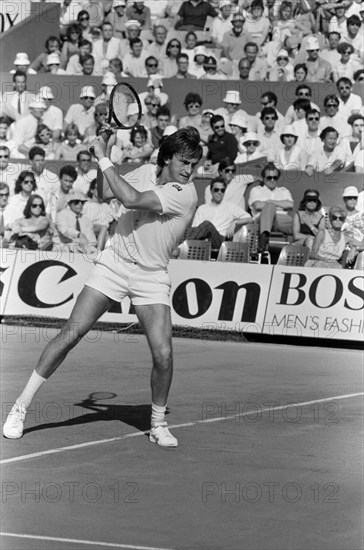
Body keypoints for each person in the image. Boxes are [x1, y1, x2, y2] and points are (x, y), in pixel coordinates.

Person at [3, 126, 203, 448]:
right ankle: (19, 407)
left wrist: (103, 155)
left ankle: (157, 422)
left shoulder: (185, 192)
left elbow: (130, 198)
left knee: (163, 355)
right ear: (167, 158)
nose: (190, 170)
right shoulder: (144, 171)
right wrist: (103, 157)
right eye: (184, 161)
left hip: (151, 276)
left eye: (194, 164)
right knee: (71, 333)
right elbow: (104, 193)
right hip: (114, 263)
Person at [187, 177, 251, 248]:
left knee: (207, 225)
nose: (219, 192)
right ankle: (184, 245)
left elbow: (249, 218)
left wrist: (235, 223)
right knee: (190, 227)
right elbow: (195, 229)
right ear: (211, 191)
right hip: (205, 240)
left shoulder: (231, 206)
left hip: (222, 241)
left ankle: (183, 245)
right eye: (216, 190)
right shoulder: (202, 208)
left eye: (222, 190)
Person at [248, 163, 294, 252]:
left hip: (281, 220)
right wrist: (276, 204)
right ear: (263, 178)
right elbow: (257, 205)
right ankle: (264, 237)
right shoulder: (256, 190)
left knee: (298, 222)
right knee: (270, 207)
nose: (272, 180)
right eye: (269, 178)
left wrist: (269, 201)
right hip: (262, 219)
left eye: (275, 178)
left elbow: (290, 204)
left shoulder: (284, 191)